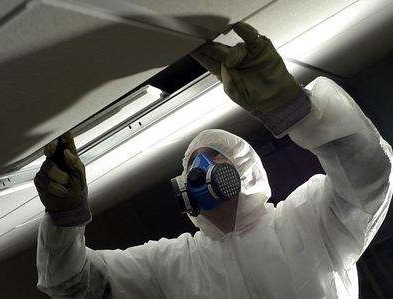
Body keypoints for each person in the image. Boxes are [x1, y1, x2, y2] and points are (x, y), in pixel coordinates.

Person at [34, 22, 392, 298]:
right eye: (191, 168)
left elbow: (369, 178)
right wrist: (65, 219)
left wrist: (296, 110)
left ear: (245, 173)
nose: (196, 175)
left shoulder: (307, 222)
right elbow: (75, 285)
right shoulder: (175, 265)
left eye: (211, 162)